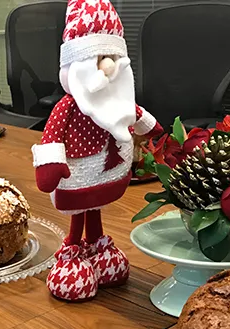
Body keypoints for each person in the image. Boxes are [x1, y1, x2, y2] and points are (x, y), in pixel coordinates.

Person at [32, 0, 162, 302]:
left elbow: (134, 113)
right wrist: (49, 165)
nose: (108, 67)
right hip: (76, 171)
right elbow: (52, 135)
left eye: (112, 57)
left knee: (95, 207)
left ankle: (98, 246)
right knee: (79, 210)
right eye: (98, 58)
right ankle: (73, 251)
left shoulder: (115, 101)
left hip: (107, 171)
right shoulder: (68, 107)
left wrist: (150, 127)